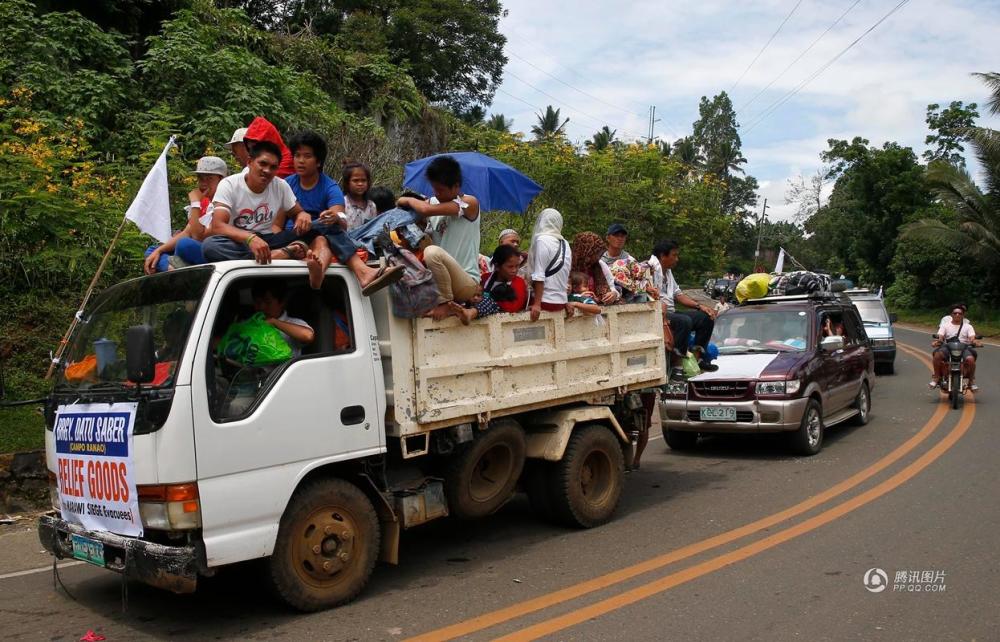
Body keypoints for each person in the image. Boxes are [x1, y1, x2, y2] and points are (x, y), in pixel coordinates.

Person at [202, 141, 403, 296]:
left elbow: (298, 212)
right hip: (241, 242)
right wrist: (249, 238)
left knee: (325, 222)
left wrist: (303, 216)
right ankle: (283, 254)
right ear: (249, 163)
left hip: (269, 240)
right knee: (210, 246)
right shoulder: (230, 184)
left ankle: (363, 272)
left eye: (273, 167)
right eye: (262, 164)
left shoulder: (281, 185)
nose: (267, 171)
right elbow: (218, 225)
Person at [397, 156, 482, 320]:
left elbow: (425, 209)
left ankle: (445, 303)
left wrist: (406, 199)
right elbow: (424, 214)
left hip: (465, 283)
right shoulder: (432, 202)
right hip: (439, 283)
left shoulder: (470, 203)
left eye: (441, 189)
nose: (436, 193)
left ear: (456, 186)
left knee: (432, 252)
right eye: (434, 188)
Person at [144, 156, 228, 273]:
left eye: (209, 178)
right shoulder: (204, 202)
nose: (203, 183)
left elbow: (197, 236)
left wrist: (195, 203)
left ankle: (178, 269)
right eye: (200, 178)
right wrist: (159, 251)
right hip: (197, 250)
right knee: (153, 250)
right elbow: (187, 232)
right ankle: (174, 268)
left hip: (213, 254)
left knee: (184, 245)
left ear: (221, 180)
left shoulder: (225, 201)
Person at [653, 239, 719, 372]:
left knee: (705, 318)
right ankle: (677, 364)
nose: (677, 259)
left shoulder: (668, 272)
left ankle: (698, 358)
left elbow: (679, 295)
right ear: (662, 256)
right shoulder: (649, 270)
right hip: (658, 314)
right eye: (674, 255)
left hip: (672, 312)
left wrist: (700, 306)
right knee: (684, 321)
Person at [450, 244, 530, 324]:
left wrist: (487, 301)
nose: (514, 270)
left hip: (505, 320)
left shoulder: (519, 283)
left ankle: (471, 313)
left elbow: (513, 307)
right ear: (497, 266)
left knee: (490, 302)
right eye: (510, 267)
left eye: (517, 266)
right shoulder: (484, 278)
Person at [527, 208, 572, 321]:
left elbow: (539, 274)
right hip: (561, 302)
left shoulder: (542, 240)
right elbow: (565, 274)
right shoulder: (565, 243)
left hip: (544, 301)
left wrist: (537, 304)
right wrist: (565, 300)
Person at [251, 281, 314, 358]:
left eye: (268, 302)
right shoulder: (249, 324)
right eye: (257, 303)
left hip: (284, 370)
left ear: (282, 302)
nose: (262, 307)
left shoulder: (292, 323)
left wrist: (274, 322)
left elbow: (308, 335)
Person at [931, 305, 982, 391]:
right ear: (951, 315)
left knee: (971, 359)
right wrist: (937, 342)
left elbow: (972, 338)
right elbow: (940, 336)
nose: (957, 315)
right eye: (955, 313)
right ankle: (936, 377)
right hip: (948, 347)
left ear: (963, 315)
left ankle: (971, 381)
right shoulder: (945, 325)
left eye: (960, 313)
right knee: (937, 355)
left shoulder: (968, 326)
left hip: (964, 348)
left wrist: (976, 342)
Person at [570, 232, 620, 305]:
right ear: (585, 251)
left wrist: (614, 294)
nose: (597, 257)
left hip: (598, 308)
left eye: (599, 254)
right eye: (595, 253)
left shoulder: (600, 265)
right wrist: (579, 297)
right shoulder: (568, 266)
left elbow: (612, 287)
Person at [341, 162, 378, 229]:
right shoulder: (342, 203)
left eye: (363, 180)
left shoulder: (371, 206)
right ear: (347, 183)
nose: (360, 184)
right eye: (355, 181)